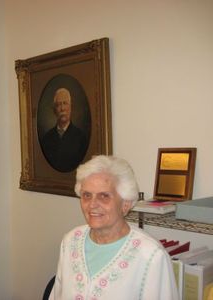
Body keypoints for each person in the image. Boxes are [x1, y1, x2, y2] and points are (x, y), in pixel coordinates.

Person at [49, 155, 179, 300]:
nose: (92, 205)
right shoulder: (70, 242)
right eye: (86, 195)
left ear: (125, 204)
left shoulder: (152, 256)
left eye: (104, 196)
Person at [40, 88, 88, 173]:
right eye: (58, 104)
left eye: (65, 103)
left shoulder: (81, 138)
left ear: (70, 107)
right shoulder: (46, 139)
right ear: (55, 110)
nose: (62, 108)